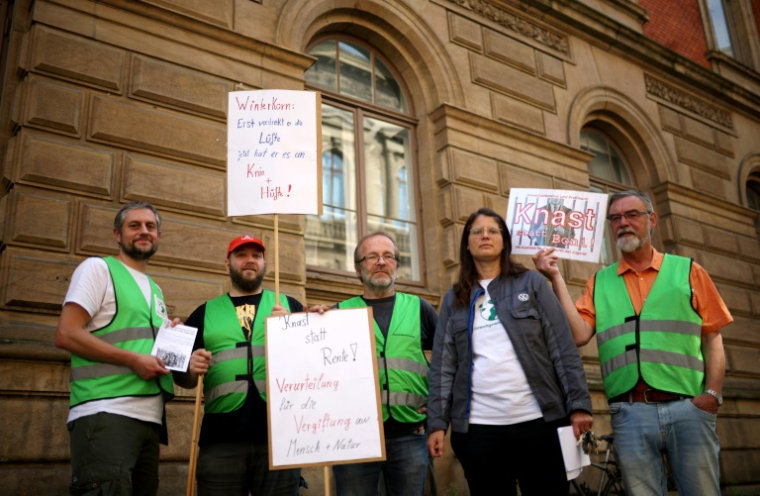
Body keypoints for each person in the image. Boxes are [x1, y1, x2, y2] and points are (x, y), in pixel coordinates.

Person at [533, 190, 732, 496]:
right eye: (615, 218)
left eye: (632, 215)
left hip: (688, 408)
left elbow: (712, 338)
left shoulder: (688, 271)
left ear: (651, 220)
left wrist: (712, 396)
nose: (623, 223)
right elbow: (578, 334)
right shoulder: (599, 282)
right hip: (630, 412)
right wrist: (554, 277)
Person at [427, 208, 593, 496]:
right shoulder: (454, 299)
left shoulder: (533, 283)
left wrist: (578, 405)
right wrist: (437, 423)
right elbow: (443, 366)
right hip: (479, 430)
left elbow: (563, 347)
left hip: (540, 424)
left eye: (493, 230)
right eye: (476, 231)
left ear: (505, 241)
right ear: (467, 243)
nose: (485, 236)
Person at [55, 201, 175, 496]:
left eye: (151, 226)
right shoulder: (99, 269)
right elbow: (67, 334)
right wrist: (133, 360)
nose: (144, 231)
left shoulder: (155, 289)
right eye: (134, 225)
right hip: (106, 411)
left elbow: (144, 344)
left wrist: (174, 340)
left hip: (150, 420)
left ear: (158, 235)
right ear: (117, 235)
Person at [174, 234, 304, 496]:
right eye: (241, 255)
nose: (250, 261)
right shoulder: (203, 313)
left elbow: (312, 365)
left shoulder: (290, 307)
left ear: (264, 263)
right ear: (227, 263)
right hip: (221, 440)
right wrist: (190, 368)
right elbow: (182, 378)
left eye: (256, 255)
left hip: (278, 441)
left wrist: (294, 328)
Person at [330, 232, 437, 496]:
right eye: (371, 257)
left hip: (410, 434)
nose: (380, 262)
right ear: (358, 268)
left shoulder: (419, 308)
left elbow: (450, 363)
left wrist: (438, 412)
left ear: (397, 266)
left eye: (388, 256)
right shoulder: (337, 313)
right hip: (354, 439)